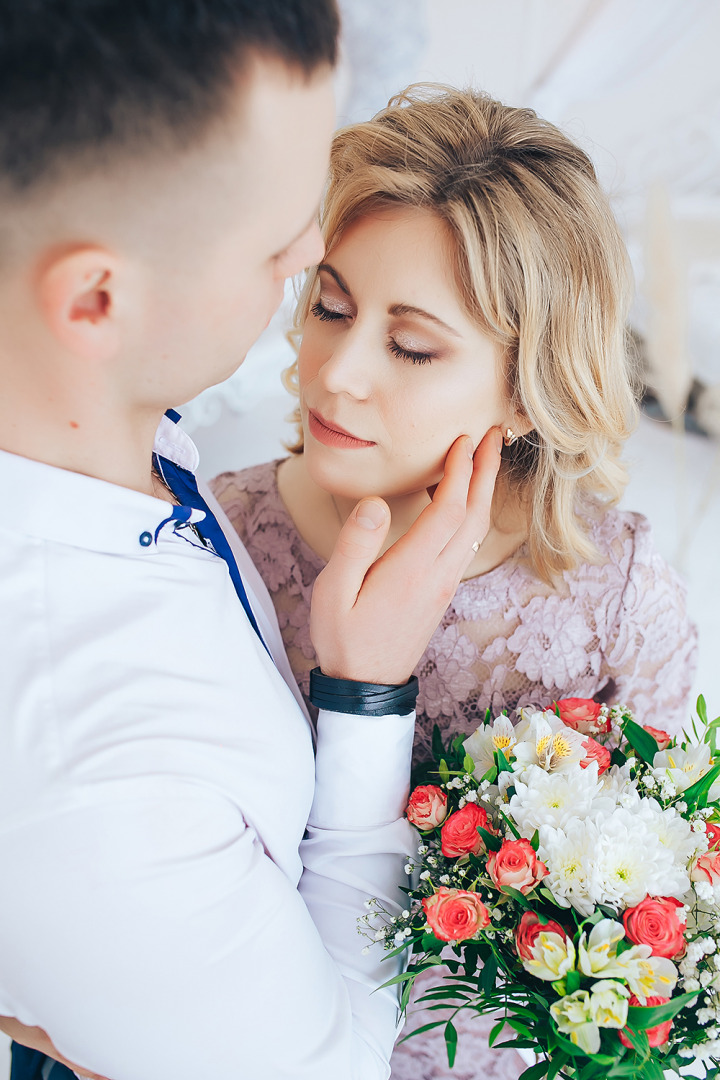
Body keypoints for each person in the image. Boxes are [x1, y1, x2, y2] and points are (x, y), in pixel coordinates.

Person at [0, 9, 503, 1080]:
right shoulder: (104, 793)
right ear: (98, 298)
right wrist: (367, 701)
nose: (315, 247)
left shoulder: (110, 428)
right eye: (280, 237)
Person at [211, 84, 699, 1080]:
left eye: (410, 345)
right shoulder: (212, 544)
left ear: (528, 388)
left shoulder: (614, 600)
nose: (337, 370)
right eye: (331, 306)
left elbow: (662, 931)